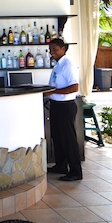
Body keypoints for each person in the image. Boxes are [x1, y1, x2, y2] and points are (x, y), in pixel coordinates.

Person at [43, 38, 82, 181]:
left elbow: (74, 87)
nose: (51, 52)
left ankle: (76, 171)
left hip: (66, 106)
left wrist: (53, 92)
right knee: (57, 138)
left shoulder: (68, 65)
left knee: (68, 140)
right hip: (56, 105)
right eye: (50, 50)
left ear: (63, 49)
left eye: (55, 49)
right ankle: (61, 166)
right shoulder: (58, 65)